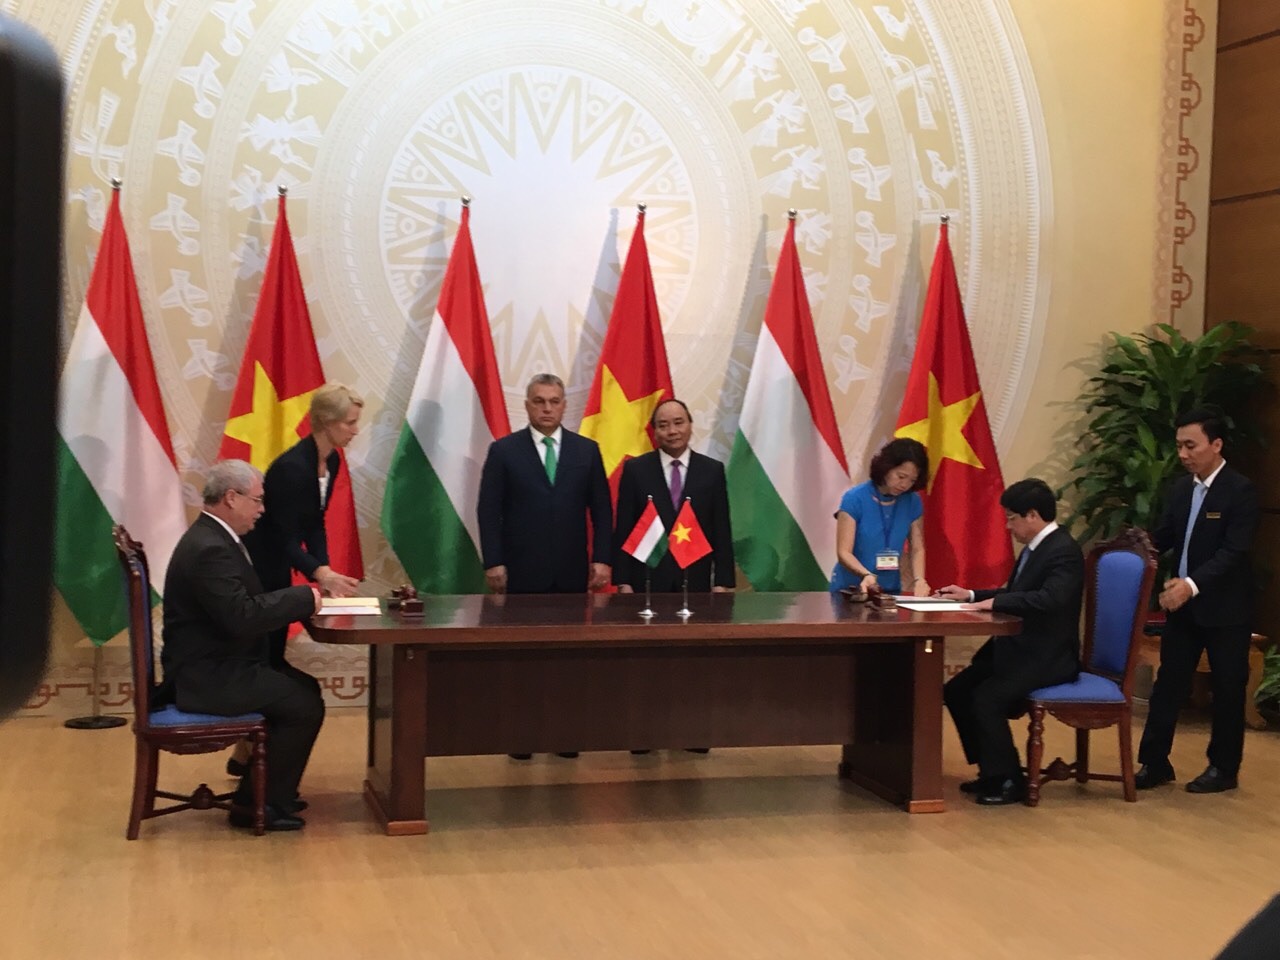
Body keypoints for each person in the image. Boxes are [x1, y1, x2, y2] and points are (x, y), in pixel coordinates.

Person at [160, 460, 325, 831]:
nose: (262, 509)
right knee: (302, 703)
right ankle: (258, 805)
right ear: (231, 498)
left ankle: (268, 794)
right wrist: (303, 597)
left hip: (217, 664)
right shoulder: (210, 548)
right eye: (257, 500)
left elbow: (240, 607)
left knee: (304, 687)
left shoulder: (214, 537)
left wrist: (295, 598)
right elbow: (241, 616)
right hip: (206, 676)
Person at [229, 384, 362, 778]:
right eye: (349, 423)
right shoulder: (292, 468)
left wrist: (326, 570)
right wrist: (319, 573)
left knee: (272, 660)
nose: (355, 430)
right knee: (266, 659)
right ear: (326, 422)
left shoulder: (331, 460)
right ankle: (252, 758)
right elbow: (283, 536)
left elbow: (315, 523)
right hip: (262, 568)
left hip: (281, 564)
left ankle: (246, 758)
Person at [477, 373, 612, 760]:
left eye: (554, 401)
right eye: (539, 401)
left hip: (571, 572)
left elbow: (602, 511)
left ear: (564, 405)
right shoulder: (504, 451)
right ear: (527, 405)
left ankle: (566, 735)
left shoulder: (586, 451)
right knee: (524, 656)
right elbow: (488, 511)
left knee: (568, 657)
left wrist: (603, 558)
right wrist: (494, 561)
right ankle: (521, 737)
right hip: (521, 572)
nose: (547, 408)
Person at [937, 478, 1084, 805]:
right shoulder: (1036, 549)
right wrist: (971, 595)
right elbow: (1017, 593)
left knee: (986, 698)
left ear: (1032, 515)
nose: (1008, 526)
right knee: (957, 690)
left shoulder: (1063, 551)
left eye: (1012, 518)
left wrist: (996, 603)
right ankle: (991, 771)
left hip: (1047, 657)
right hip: (1019, 651)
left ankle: (1009, 781)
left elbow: (1050, 599)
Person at [1136, 407, 1259, 794]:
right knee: (1168, 685)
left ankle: (1223, 768)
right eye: (1179, 446)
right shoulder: (1181, 489)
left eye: (1191, 445)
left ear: (1216, 444)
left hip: (1226, 610)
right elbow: (1164, 536)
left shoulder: (1240, 491)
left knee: (1227, 688)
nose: (1183, 454)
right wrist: (1134, 548)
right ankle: (1154, 762)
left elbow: (1233, 552)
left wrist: (1190, 584)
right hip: (1183, 608)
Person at [612, 398, 734, 594]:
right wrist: (622, 581)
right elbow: (624, 527)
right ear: (654, 432)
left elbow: (721, 529)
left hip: (695, 578)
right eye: (663, 425)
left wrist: (723, 581)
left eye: (679, 423)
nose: (672, 431)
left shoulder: (711, 471)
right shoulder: (636, 470)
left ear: (690, 425)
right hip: (647, 578)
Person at [830, 437, 930, 597]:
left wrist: (919, 579)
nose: (905, 485)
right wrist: (866, 575)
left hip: (890, 590)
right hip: (852, 589)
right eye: (901, 476)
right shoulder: (855, 498)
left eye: (912, 480)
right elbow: (844, 552)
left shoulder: (912, 501)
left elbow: (917, 547)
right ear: (886, 468)